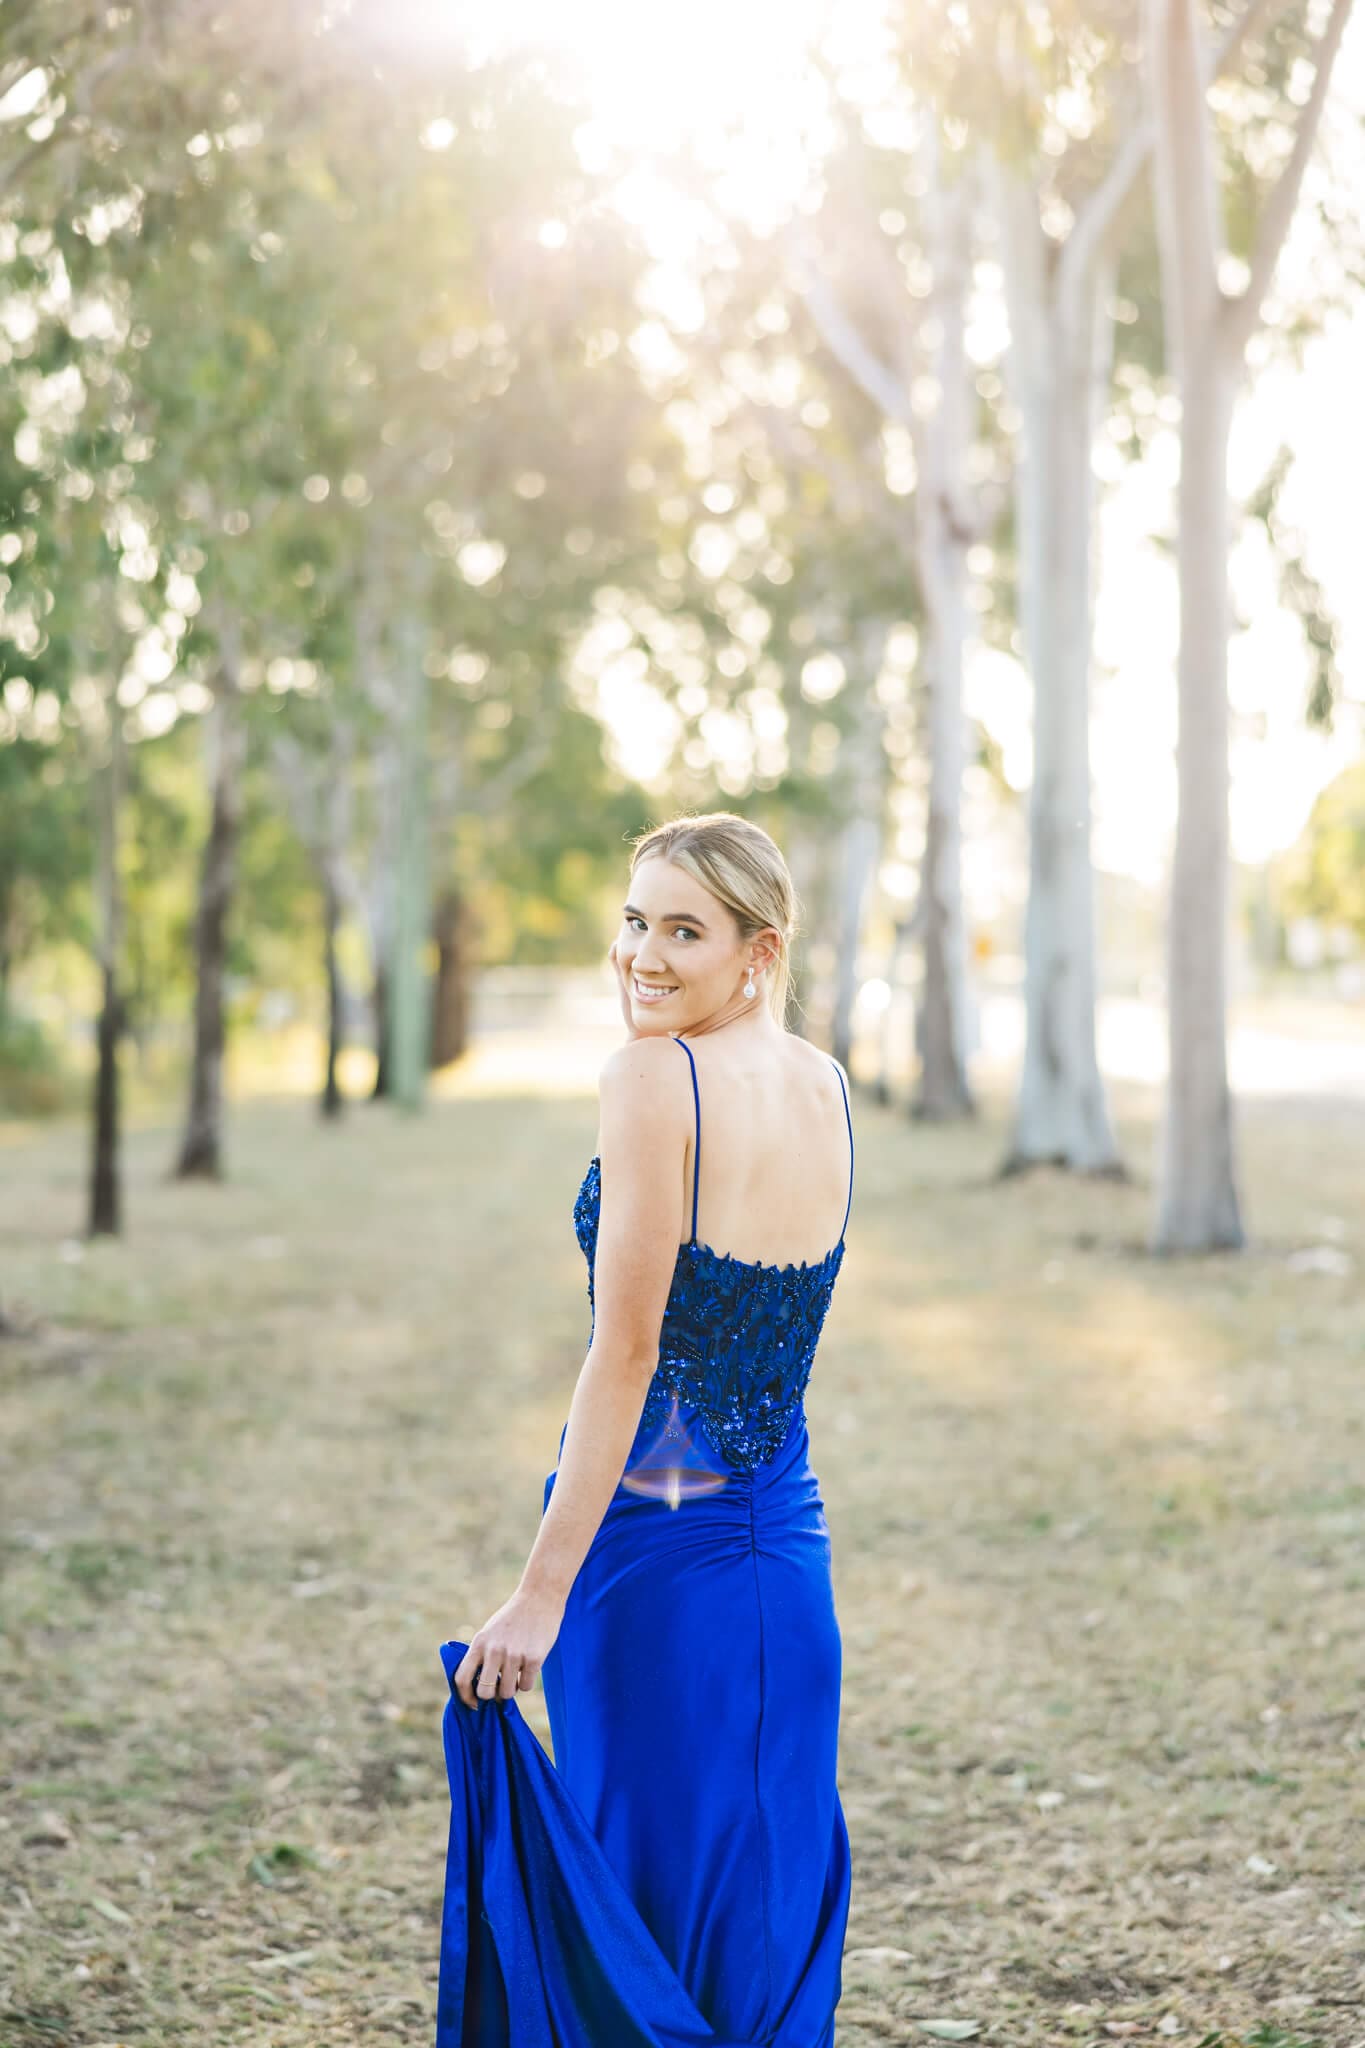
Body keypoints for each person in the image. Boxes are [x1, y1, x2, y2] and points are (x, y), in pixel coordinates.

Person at [436, 811, 855, 2047]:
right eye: (634, 920)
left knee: (643, 1899)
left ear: (759, 949)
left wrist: (537, 1594)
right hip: (786, 1555)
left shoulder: (651, 1078)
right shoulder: (824, 1082)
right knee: (755, 1908)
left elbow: (628, 1356)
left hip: (652, 1560)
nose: (643, 955)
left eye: (684, 929)